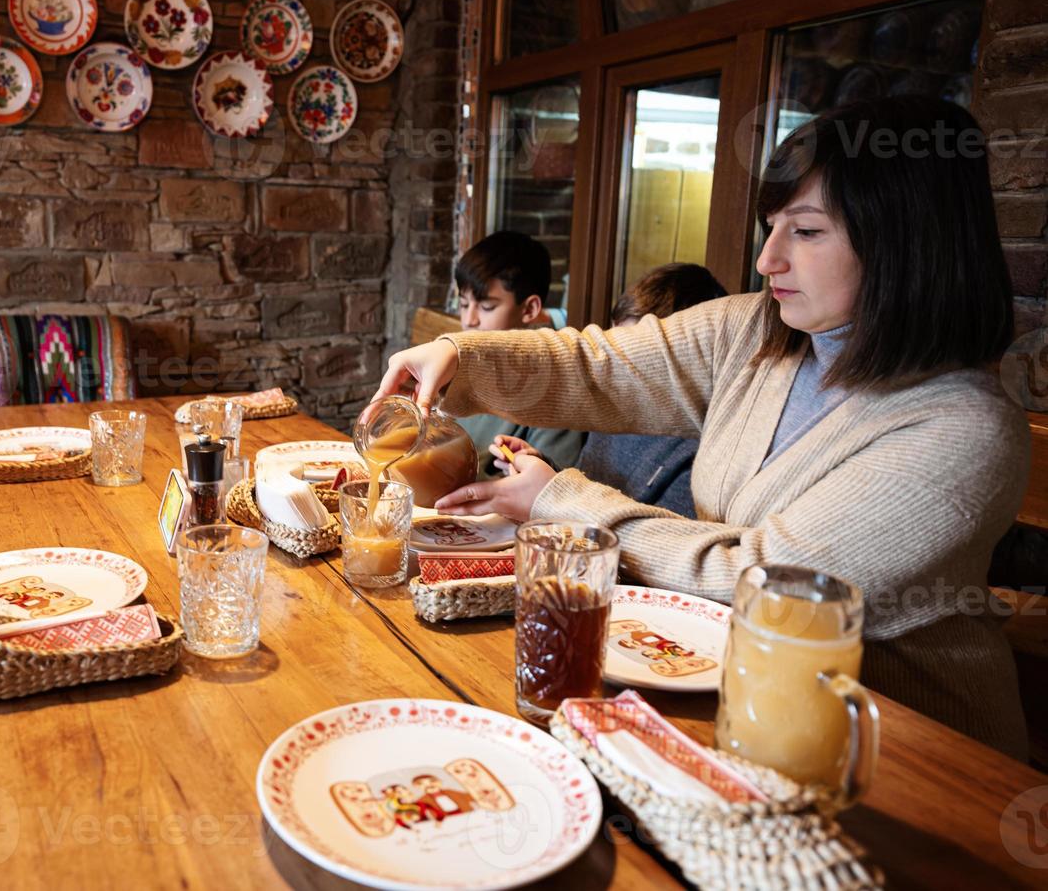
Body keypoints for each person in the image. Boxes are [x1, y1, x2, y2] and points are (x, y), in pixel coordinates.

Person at [377, 96, 1029, 757]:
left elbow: (763, 582)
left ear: (906, 240)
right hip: (729, 701)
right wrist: (464, 356)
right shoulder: (756, 332)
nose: (769, 258)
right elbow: (597, 367)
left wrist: (562, 501)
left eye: (805, 232)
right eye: (770, 227)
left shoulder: (963, 430)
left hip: (900, 754)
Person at [503, 263, 728, 517]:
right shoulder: (617, 405)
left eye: (634, 352)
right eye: (616, 346)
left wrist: (551, 493)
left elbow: (659, 538)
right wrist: (545, 470)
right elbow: (589, 484)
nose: (618, 363)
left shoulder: (702, 448)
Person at [451, 231, 584, 476]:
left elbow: (550, 488)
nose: (469, 320)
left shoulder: (555, 385)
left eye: (487, 306)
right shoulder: (465, 364)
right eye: (463, 304)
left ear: (530, 308)